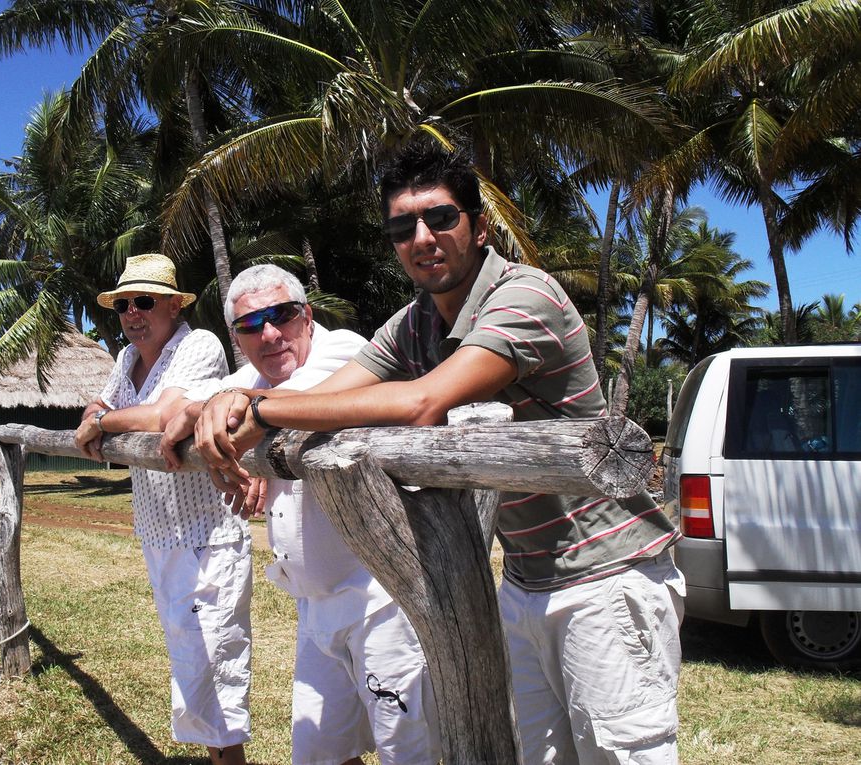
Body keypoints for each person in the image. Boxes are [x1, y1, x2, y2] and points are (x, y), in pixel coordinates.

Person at [192, 143, 686, 765]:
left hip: (608, 577)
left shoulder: (526, 296)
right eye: (403, 228)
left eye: (441, 218)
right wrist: (232, 418)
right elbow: (323, 398)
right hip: (526, 580)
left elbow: (425, 400)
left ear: (479, 226)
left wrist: (256, 408)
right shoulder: (414, 323)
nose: (422, 238)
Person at [159, 264, 442, 765]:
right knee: (319, 753)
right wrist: (202, 407)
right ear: (237, 338)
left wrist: (231, 410)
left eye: (282, 315)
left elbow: (296, 401)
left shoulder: (345, 351)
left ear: (307, 317)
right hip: (314, 606)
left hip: (383, 600)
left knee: (408, 753)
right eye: (251, 325)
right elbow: (190, 409)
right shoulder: (254, 376)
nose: (270, 334)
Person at [74, 253, 251, 765]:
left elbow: (162, 414)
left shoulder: (198, 344)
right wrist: (97, 414)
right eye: (125, 303)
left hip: (207, 533)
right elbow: (99, 405)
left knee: (218, 660)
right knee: (189, 660)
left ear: (174, 304)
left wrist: (104, 424)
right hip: (158, 532)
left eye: (145, 301)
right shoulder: (126, 360)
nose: (133, 313)